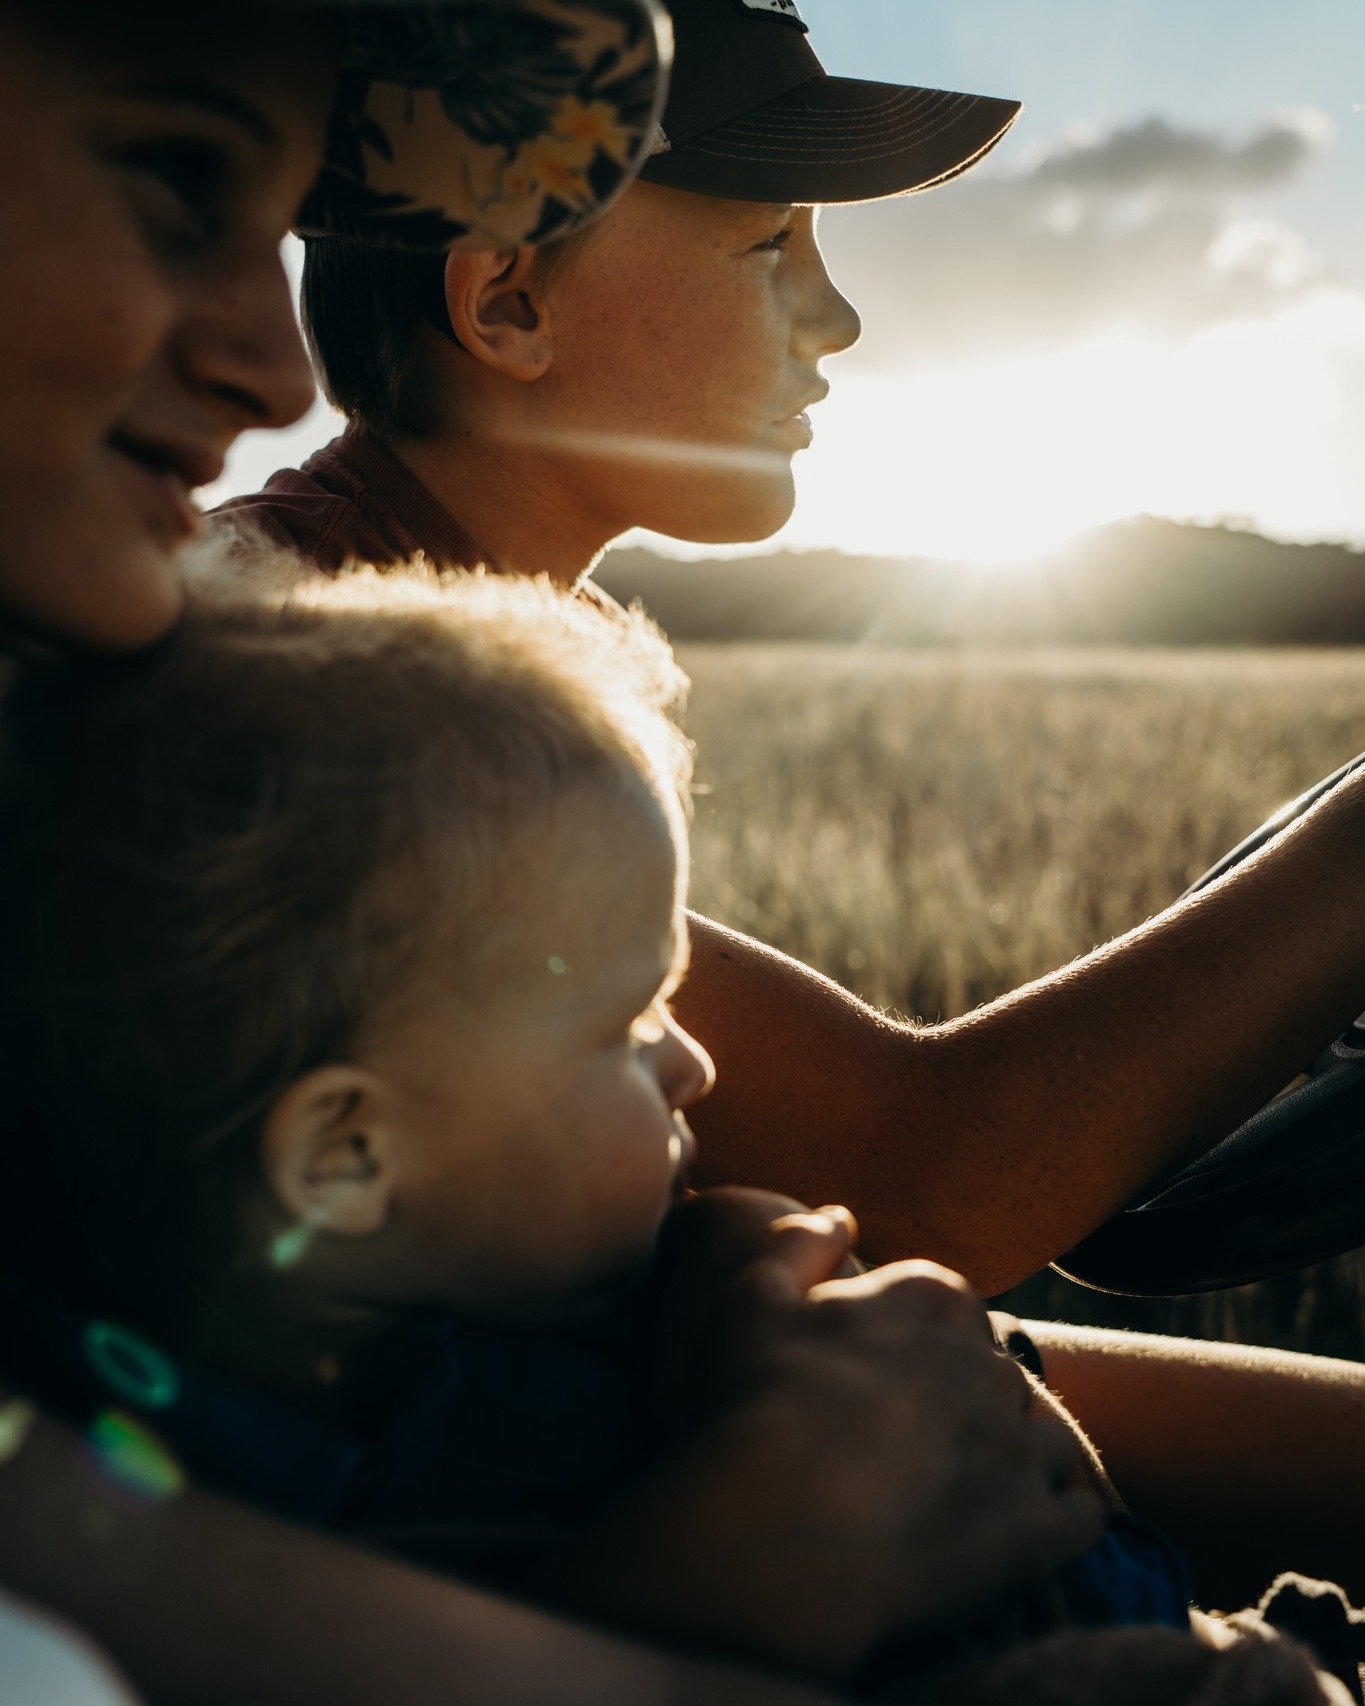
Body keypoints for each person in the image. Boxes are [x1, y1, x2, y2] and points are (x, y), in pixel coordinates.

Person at [0, 5, 1100, 1701]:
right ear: (500, 299)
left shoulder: (468, 664)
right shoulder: (283, 676)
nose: (274, 372)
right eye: (171, 176)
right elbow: (931, 1160)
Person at [217, 0, 1365, 1609]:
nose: (831, 319)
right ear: (509, 297)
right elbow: (922, 1179)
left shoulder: (409, 621)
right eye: (768, 244)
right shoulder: (324, 687)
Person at [0, 564, 1356, 1706]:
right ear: (346, 1157)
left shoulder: (496, 1269)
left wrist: (733, 1268)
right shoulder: (229, 1509)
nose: (695, 1063)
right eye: (626, 1024)